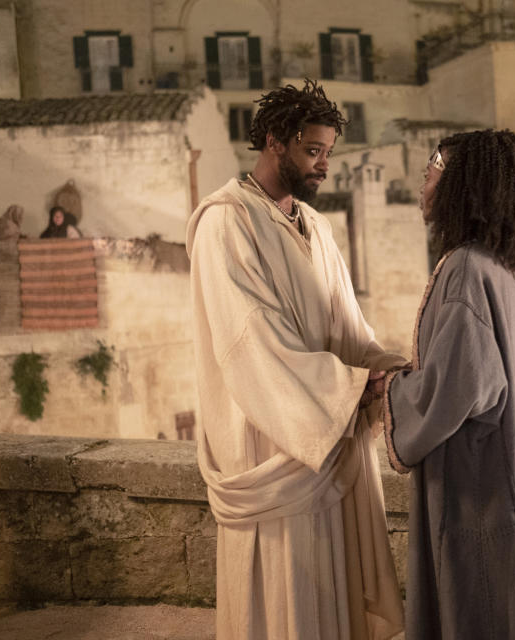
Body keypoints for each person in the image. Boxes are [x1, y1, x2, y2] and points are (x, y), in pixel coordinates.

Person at [185, 80, 404, 640]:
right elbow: (251, 339)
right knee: (283, 603)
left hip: (324, 442)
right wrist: (348, 387)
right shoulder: (225, 223)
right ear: (275, 141)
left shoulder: (319, 228)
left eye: (329, 153)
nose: (324, 166)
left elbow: (346, 326)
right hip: (274, 444)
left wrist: (385, 369)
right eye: (313, 151)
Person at [381, 130, 515, 639]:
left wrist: (388, 390)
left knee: (482, 603)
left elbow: (460, 387)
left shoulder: (467, 268)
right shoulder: (500, 268)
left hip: (478, 486)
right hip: (502, 473)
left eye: (434, 168)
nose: (425, 178)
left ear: (464, 184)